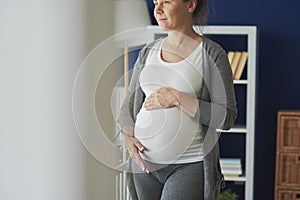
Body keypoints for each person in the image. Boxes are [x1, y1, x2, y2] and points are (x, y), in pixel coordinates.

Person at [117, 0, 237, 199]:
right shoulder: (148, 52)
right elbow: (128, 106)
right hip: (144, 166)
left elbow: (226, 117)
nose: (157, 9)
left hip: (187, 165)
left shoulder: (211, 54)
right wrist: (128, 138)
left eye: (166, 2)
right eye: (156, 2)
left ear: (190, 5)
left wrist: (178, 99)